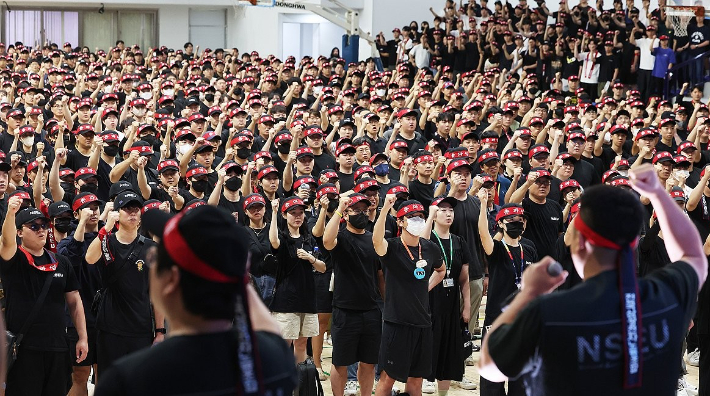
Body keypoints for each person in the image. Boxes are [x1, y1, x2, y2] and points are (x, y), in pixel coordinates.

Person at [479, 164, 707, 395]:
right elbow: (695, 257)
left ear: (579, 246)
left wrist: (528, 294)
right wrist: (659, 195)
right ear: (633, 243)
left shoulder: (550, 311)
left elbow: (491, 367)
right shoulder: (666, 297)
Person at [94, 205, 298, 395]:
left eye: (155, 259)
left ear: (171, 280)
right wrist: (231, 268)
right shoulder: (274, 360)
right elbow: (270, 330)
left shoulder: (127, 380)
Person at [0, 199, 88, 396]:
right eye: (34, 226)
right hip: (23, 349)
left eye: (44, 225)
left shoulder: (61, 262)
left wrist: (82, 337)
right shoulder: (13, 259)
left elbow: (74, 300)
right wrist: (10, 213)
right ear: (19, 232)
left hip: (58, 347)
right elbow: (6, 241)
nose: (41, 230)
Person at [85, 190, 165, 377]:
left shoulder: (151, 248)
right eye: (127, 208)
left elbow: (157, 293)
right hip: (109, 329)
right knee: (108, 383)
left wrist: (160, 331)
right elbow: (89, 258)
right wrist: (105, 228)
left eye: (136, 209)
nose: (133, 213)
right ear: (117, 213)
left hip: (141, 329)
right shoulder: (106, 242)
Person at [373, 196, 445, 396]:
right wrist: (385, 208)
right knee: (387, 379)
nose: (417, 220)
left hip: (423, 323)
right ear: (400, 221)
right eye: (411, 217)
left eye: (420, 216)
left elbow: (441, 270)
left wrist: (426, 288)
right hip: (397, 323)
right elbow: (376, 240)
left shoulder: (429, 247)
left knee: (416, 382)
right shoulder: (393, 247)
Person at [322, 193, 382, 396]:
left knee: (368, 363)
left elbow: (380, 274)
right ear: (346, 214)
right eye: (356, 210)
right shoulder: (341, 237)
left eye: (365, 210)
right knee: (340, 363)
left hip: (372, 310)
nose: (362, 214)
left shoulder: (373, 239)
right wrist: (339, 208)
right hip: (345, 311)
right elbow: (326, 240)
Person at [421, 196, 475, 393]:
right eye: (442, 209)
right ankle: (427, 377)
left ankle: (444, 387)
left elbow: (464, 280)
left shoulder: (459, 241)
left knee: (449, 347)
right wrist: (429, 218)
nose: (448, 213)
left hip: (451, 303)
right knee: (429, 342)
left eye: (450, 209)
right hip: (429, 301)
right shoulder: (429, 237)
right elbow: (421, 244)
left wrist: (467, 306)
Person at [269, 196, 326, 364]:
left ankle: (299, 382)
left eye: (301, 213)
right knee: (284, 343)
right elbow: (273, 240)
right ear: (285, 215)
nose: (298, 216)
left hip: (307, 299)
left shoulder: (309, 239)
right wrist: (273, 213)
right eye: (293, 213)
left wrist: (311, 258)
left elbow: (322, 267)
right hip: (286, 301)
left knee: (302, 343)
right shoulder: (283, 238)